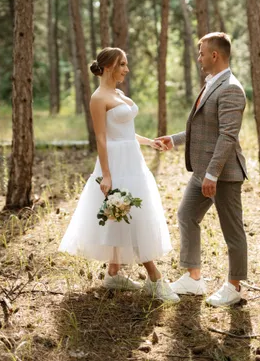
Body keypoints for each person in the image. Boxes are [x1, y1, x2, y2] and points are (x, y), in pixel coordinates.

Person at [59, 47, 179, 303]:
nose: (126, 68)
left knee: (124, 213)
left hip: (133, 159)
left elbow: (125, 131)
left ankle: (113, 273)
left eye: (126, 63)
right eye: (122, 64)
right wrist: (107, 174)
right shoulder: (98, 97)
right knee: (129, 212)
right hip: (114, 162)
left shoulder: (118, 93)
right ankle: (155, 279)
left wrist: (150, 142)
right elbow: (102, 137)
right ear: (110, 66)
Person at [156, 32, 248, 307]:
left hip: (223, 174)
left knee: (232, 230)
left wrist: (213, 174)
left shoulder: (231, 88)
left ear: (215, 55)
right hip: (203, 172)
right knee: (186, 214)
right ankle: (193, 278)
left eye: (201, 53)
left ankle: (234, 286)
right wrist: (173, 139)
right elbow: (202, 128)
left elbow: (227, 136)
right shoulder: (212, 84)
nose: (199, 58)